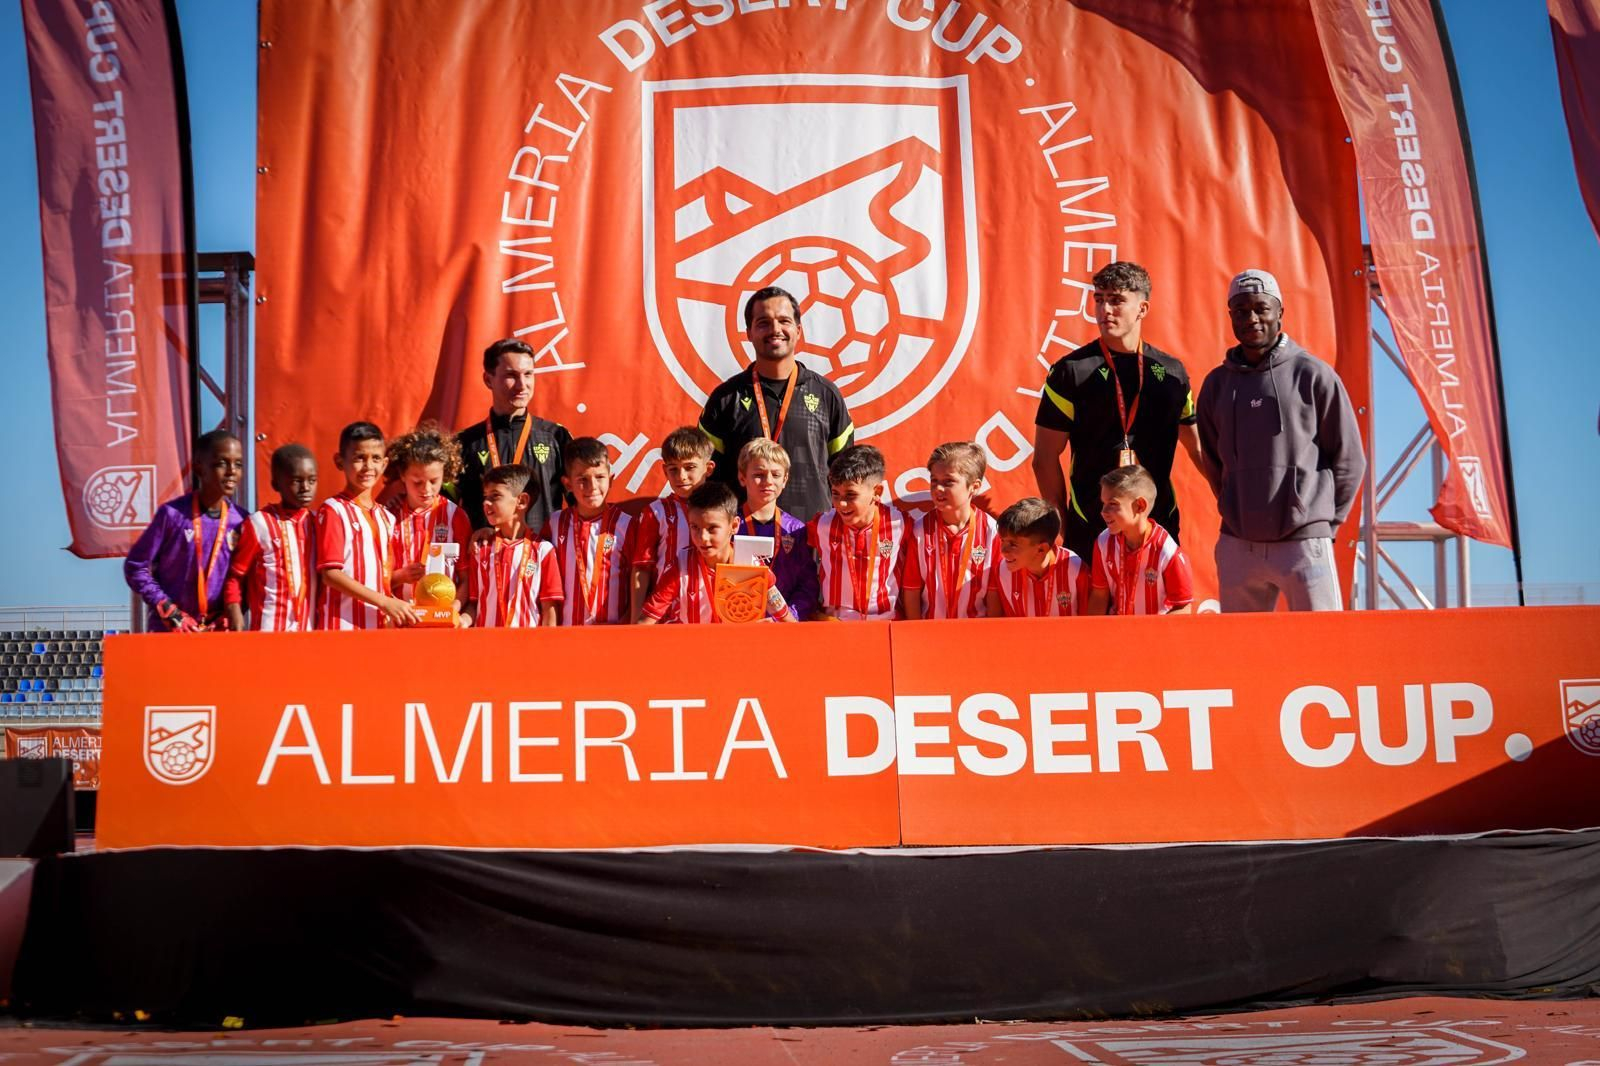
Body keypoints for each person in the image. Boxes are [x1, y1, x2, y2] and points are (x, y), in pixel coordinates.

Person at [1196, 269, 1366, 612]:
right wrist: (1234, 502)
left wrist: (1322, 523)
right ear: (1231, 316)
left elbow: (1349, 459)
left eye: (1261, 308)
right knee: (1242, 646)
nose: (1252, 318)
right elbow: (1212, 457)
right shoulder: (1216, 384)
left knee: (1322, 643)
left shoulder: (1313, 374)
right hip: (1238, 542)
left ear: (1280, 312)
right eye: (1241, 311)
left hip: (1304, 541)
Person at [1031, 261, 1205, 561]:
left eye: (1116, 300)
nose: (1105, 310)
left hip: (1158, 525)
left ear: (1142, 308)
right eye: (1099, 300)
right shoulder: (1071, 372)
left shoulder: (1172, 372)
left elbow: (1198, 448)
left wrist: (1231, 500)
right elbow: (1044, 459)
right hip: (1090, 526)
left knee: (1162, 595)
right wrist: (1064, 526)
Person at [698, 286, 854, 521]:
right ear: (749, 333)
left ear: (798, 330)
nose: (775, 330)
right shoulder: (725, 398)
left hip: (810, 533)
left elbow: (847, 474)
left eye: (784, 321)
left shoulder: (826, 395)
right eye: (763, 323)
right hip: (743, 534)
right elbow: (706, 477)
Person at [125, 429, 247, 632]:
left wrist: (230, 614)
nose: (231, 471)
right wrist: (169, 611)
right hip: (170, 633)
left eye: (238, 464)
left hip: (218, 633)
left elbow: (248, 581)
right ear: (199, 467)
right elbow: (135, 566)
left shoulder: (243, 521)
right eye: (221, 463)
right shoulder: (172, 515)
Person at [454, 337, 572, 535]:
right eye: (511, 375)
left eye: (528, 374)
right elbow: (441, 508)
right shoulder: (465, 442)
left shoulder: (556, 436)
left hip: (541, 551)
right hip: (485, 552)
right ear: (488, 380)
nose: (522, 385)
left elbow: (581, 504)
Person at [638, 482, 798, 624]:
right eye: (695, 527)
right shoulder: (680, 565)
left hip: (738, 648)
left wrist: (772, 627)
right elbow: (647, 619)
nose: (703, 537)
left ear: (734, 526)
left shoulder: (753, 565)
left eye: (712, 528)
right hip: (694, 647)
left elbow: (787, 621)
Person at [316, 422, 417, 629]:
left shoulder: (386, 517)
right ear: (339, 461)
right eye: (359, 458)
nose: (368, 466)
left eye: (376, 458)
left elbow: (379, 578)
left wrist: (402, 578)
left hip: (377, 627)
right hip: (341, 627)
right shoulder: (334, 510)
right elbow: (331, 574)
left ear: (385, 463)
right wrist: (384, 602)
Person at [808, 444, 909, 622]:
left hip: (885, 624)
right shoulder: (821, 524)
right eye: (835, 494)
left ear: (877, 492)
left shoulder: (901, 524)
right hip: (836, 625)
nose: (841, 504)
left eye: (850, 495)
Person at [902, 442, 1002, 620]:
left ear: (974, 486)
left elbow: (994, 595)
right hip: (930, 630)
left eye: (948, 482)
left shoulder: (992, 532)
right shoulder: (919, 530)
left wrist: (990, 634)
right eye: (934, 480)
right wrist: (914, 631)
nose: (938, 489)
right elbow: (911, 590)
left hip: (975, 632)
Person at [224, 443, 317, 632]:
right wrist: (235, 614)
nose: (305, 488)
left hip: (310, 631)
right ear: (276, 484)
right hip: (268, 631)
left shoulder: (318, 523)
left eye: (312, 480)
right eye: (296, 481)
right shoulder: (259, 523)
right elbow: (235, 577)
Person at [542, 437, 634, 626]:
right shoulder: (555, 523)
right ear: (568, 484)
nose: (592, 487)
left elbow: (642, 584)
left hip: (614, 634)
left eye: (599, 477)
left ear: (610, 479)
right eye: (582, 479)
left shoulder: (627, 524)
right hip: (566, 635)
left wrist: (625, 626)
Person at [630, 426, 715, 621]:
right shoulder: (655, 512)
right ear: (664, 471)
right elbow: (642, 568)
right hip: (665, 618)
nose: (681, 476)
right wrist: (635, 620)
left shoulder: (722, 509)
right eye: (673, 469)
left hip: (709, 615)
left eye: (689, 467)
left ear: (708, 468)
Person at [462, 464, 563, 628]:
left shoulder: (543, 550)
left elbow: (549, 609)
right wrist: (463, 621)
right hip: (485, 642)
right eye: (485, 496)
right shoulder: (480, 548)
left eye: (495, 496)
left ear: (521, 501)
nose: (486, 502)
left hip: (527, 643)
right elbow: (474, 604)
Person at [1086, 465, 1193, 616]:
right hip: (1116, 629)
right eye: (1103, 503)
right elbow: (1099, 595)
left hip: (1155, 630)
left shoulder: (1167, 552)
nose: (1103, 512)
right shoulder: (1103, 542)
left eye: (1113, 504)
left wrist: (1156, 631)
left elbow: (1183, 607)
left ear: (1140, 506)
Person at [385, 422, 473, 604]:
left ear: (444, 474)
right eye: (417, 482)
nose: (426, 489)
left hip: (442, 616)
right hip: (398, 615)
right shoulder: (387, 516)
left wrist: (453, 610)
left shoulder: (455, 516)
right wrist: (399, 577)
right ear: (402, 475)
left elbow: (467, 579)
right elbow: (369, 580)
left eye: (434, 481)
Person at [736, 438, 821, 622]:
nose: (768, 481)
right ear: (742, 478)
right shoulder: (730, 526)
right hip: (738, 621)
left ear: (785, 479)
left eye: (775, 475)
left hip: (783, 625)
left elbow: (808, 585)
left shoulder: (796, 530)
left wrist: (787, 617)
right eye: (759, 474)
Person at [985, 497, 1090, 618]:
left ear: (1041, 549)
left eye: (1013, 544)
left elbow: (1089, 621)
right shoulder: (1000, 572)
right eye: (1002, 540)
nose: (1003, 550)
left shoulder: (1075, 569)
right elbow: (995, 622)